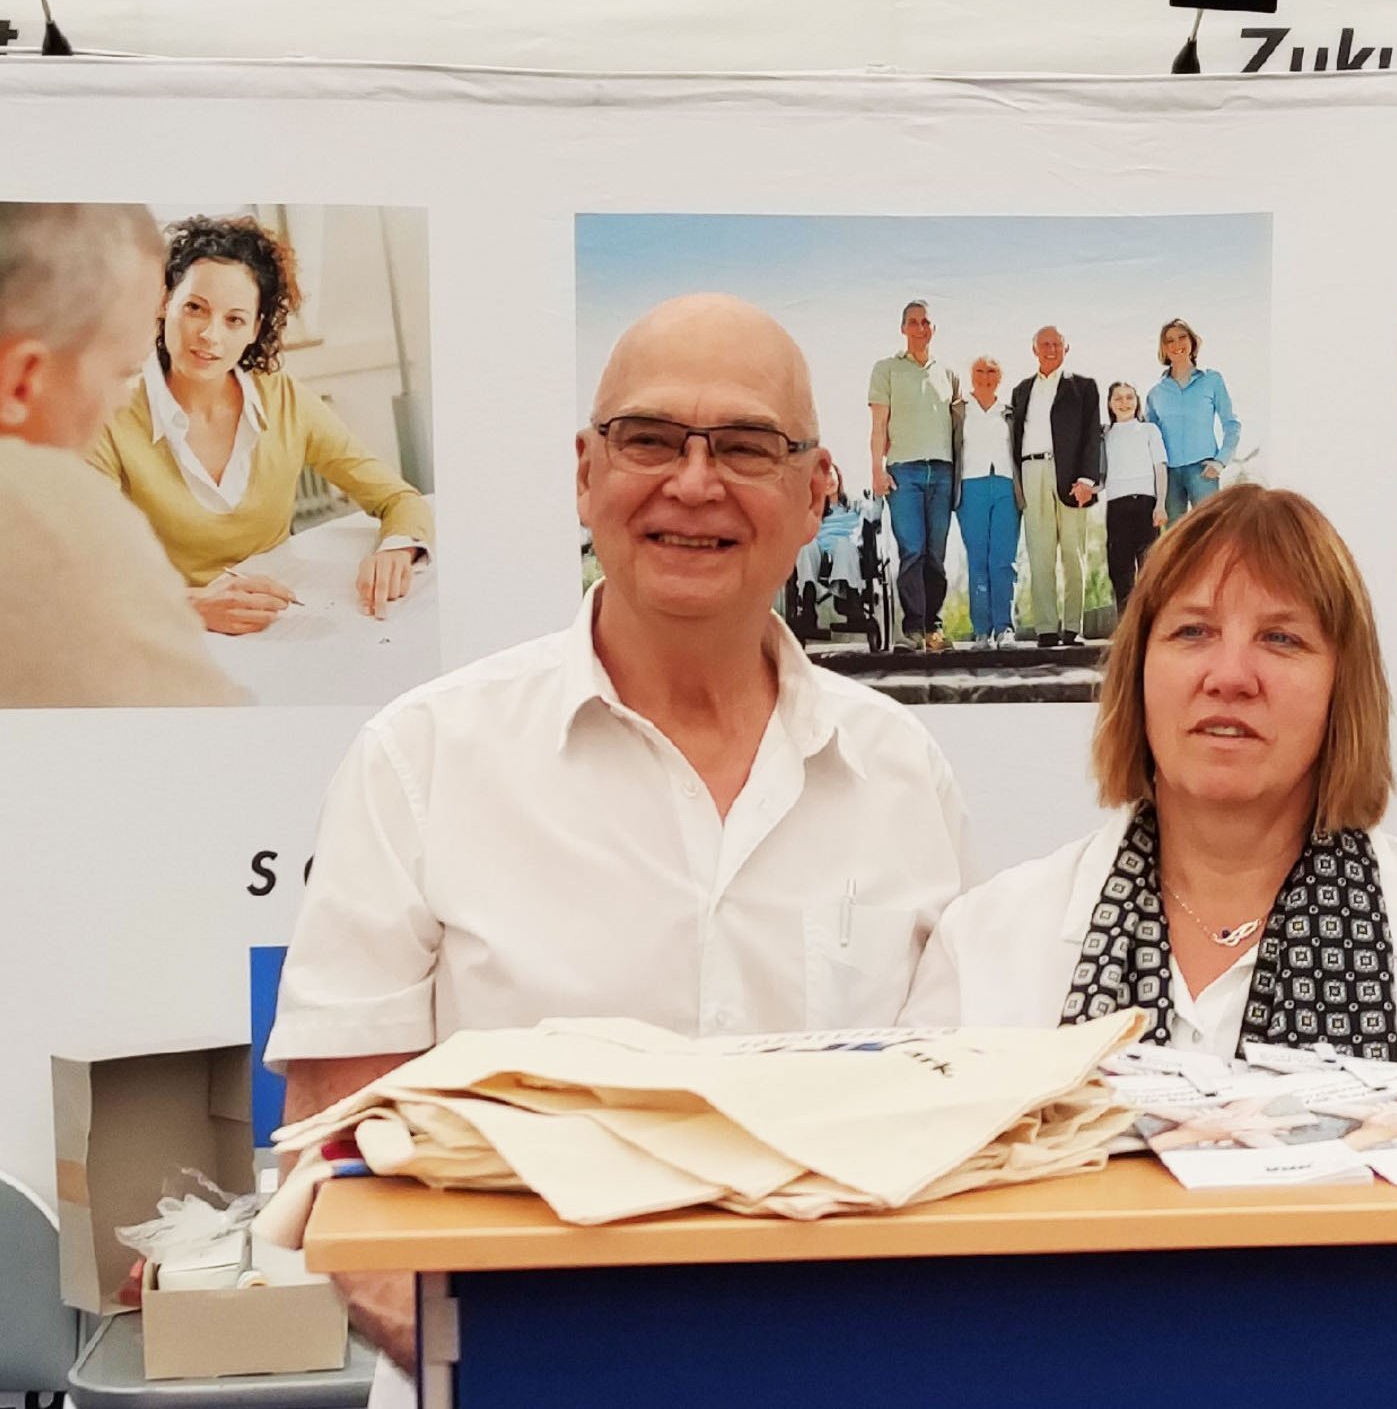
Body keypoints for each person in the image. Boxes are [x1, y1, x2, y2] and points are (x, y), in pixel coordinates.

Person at [267, 295, 975, 1384]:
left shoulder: (901, 775)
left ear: (813, 494)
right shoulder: (422, 760)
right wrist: (543, 1369)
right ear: (585, 473)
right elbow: (335, 1161)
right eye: (649, 439)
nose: (693, 483)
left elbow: (957, 1142)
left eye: (746, 446)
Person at [902, 485, 1397, 1086]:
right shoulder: (987, 942)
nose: (1230, 676)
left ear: (1341, 687)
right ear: (1138, 673)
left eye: (1281, 639)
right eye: (1192, 631)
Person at [86, 215, 433, 635]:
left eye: (234, 319)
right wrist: (193, 606)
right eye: (195, 308)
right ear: (164, 303)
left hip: (280, 621)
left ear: (254, 329)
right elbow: (82, 565)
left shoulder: (284, 400)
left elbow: (399, 498)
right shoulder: (109, 415)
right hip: (174, 630)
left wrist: (397, 550)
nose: (210, 335)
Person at [0, 202, 241, 706]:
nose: (123, 398)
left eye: (234, 318)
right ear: (20, 380)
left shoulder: (281, 401)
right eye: (121, 372)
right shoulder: (57, 515)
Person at [867, 298, 963, 651]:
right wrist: (876, 470)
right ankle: (912, 629)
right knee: (912, 550)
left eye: (925, 322)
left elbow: (958, 428)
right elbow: (879, 425)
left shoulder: (948, 374)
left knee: (936, 553)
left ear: (933, 328)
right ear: (903, 328)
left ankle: (933, 627)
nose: (920, 328)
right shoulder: (886, 369)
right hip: (903, 472)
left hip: (942, 471)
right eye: (913, 322)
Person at [1008, 325, 1101, 648]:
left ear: (1066, 348)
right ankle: (1046, 628)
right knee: (1039, 553)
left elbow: (1092, 435)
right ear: (1034, 349)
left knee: (1073, 554)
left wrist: (1088, 479)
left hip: (1072, 477)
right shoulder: (1021, 390)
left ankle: (1073, 627)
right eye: (1044, 344)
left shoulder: (1083, 387)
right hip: (1032, 471)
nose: (1050, 349)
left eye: (1056, 344)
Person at [1145, 318, 1241, 522]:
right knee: (1174, 534)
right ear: (1163, 348)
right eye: (1169, 341)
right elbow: (1149, 439)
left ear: (1192, 342)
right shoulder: (1155, 393)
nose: (1177, 344)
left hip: (1203, 471)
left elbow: (1231, 424)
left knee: (1209, 530)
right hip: (1169, 475)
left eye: (1182, 337)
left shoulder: (1212, 380)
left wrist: (1220, 461)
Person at [955, 354, 1020, 648]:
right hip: (971, 486)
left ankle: (1004, 627)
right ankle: (981, 630)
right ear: (971, 375)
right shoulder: (959, 410)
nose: (985, 376)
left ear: (1000, 377)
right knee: (978, 559)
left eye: (992, 371)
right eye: (979, 370)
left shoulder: (1009, 411)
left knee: (1003, 560)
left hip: (1005, 485)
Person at [790, 460, 880, 636]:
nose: (828, 481)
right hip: (821, 554)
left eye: (830, 475)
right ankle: (808, 604)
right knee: (806, 545)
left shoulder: (855, 504)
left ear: (838, 476)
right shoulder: (814, 510)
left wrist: (877, 494)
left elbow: (874, 514)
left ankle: (850, 600)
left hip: (849, 552)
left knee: (843, 544)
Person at [1101, 380, 1166, 610]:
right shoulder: (1105, 435)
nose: (1124, 403)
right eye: (1118, 398)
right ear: (1110, 404)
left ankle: (1151, 622)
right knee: (1120, 571)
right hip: (1116, 507)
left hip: (1145, 504)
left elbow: (1160, 468)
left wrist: (1160, 504)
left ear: (1137, 401)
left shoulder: (1149, 430)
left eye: (1129, 397)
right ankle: (1126, 623)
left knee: (1150, 569)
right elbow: (1101, 475)